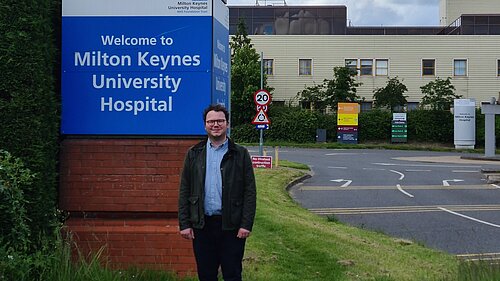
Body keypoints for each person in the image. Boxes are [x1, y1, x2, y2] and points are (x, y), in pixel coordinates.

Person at [178, 104, 257, 281]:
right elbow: (185, 190)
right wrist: (185, 223)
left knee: (232, 274)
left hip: (231, 226)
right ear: (205, 125)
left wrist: (246, 224)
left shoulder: (240, 154)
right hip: (202, 225)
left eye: (220, 121)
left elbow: (250, 191)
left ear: (227, 124)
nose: (215, 125)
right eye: (211, 121)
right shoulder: (194, 153)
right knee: (206, 275)